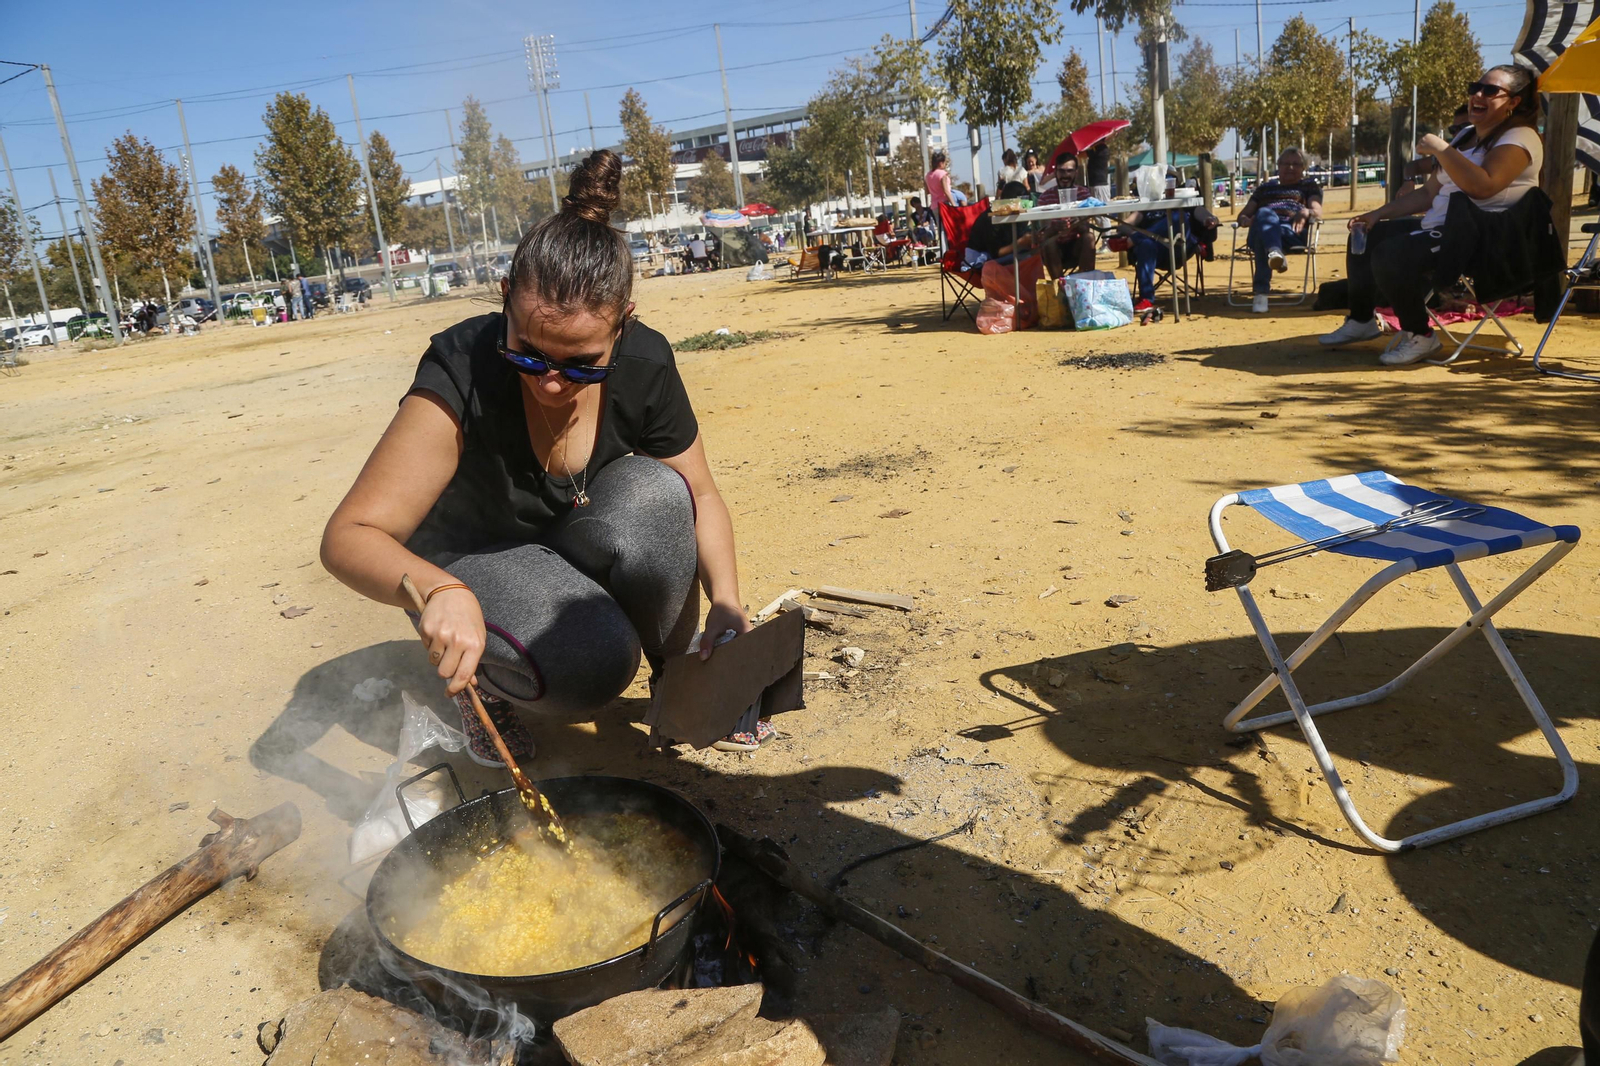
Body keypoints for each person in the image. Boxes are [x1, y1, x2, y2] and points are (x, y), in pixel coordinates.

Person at [321, 149, 767, 761]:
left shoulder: (645, 362)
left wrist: (726, 601)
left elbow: (703, 497)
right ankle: (489, 689)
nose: (551, 382)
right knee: (594, 661)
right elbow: (350, 534)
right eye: (528, 354)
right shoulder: (464, 366)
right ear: (505, 298)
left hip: (566, 544)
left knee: (659, 492)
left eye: (581, 364)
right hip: (475, 563)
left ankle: (680, 675)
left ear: (624, 323)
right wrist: (436, 588)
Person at [1319, 64, 1543, 366]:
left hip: (1484, 239)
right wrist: (1375, 214)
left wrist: (1440, 148)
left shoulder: (1520, 137)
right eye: (1475, 87)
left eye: (1490, 90)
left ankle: (1420, 336)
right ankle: (1362, 321)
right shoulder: (1465, 136)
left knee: (1391, 254)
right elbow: (1427, 194)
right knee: (1365, 234)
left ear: (1514, 101)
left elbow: (1483, 186)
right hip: (1444, 229)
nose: (1477, 94)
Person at [1235, 147, 1323, 313]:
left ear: (1303, 168)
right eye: (1286, 163)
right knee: (1264, 215)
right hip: (1262, 227)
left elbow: (1317, 211)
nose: (1290, 167)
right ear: (1278, 165)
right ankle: (1275, 252)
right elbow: (1242, 215)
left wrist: (1305, 212)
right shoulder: (1264, 188)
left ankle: (1261, 294)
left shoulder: (1308, 186)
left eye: (1296, 164)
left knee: (1263, 234)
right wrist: (1246, 220)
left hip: (1290, 232)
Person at [1032, 151, 1097, 279]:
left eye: (1069, 171)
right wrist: (1054, 229)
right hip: (1055, 248)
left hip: (1076, 245)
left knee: (1089, 238)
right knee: (1049, 243)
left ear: (1076, 173)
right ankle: (1060, 287)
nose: (1065, 175)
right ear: (1055, 173)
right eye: (1061, 171)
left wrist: (1078, 224)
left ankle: (1085, 283)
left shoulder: (1084, 195)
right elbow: (1042, 236)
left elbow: (1086, 230)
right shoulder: (1045, 198)